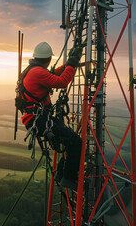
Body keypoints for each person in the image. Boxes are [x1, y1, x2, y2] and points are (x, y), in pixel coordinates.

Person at [20, 42, 82, 190]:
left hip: (36, 119)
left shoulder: (33, 71)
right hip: (39, 120)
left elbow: (53, 74)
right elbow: (61, 82)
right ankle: (69, 177)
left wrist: (68, 64)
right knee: (75, 141)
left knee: (69, 141)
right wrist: (72, 64)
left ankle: (62, 174)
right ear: (48, 59)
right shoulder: (38, 72)